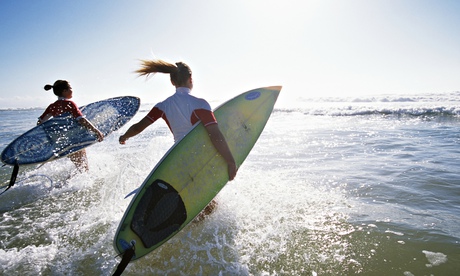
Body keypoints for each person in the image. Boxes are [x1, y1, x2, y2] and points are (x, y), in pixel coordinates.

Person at [119, 59, 238, 219]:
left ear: (172, 81)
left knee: (191, 200)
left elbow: (139, 127)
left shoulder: (163, 105)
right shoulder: (200, 104)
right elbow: (215, 135)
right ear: (190, 79)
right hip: (200, 158)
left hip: (178, 159)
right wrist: (230, 161)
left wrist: (124, 136)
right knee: (208, 203)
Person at [38, 80, 104, 172]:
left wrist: (50, 137)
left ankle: (67, 184)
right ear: (65, 91)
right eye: (70, 88)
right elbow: (81, 120)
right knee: (84, 169)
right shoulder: (69, 104)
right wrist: (96, 131)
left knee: (80, 166)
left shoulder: (52, 106)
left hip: (63, 142)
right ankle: (71, 185)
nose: (72, 90)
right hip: (75, 139)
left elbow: (40, 123)